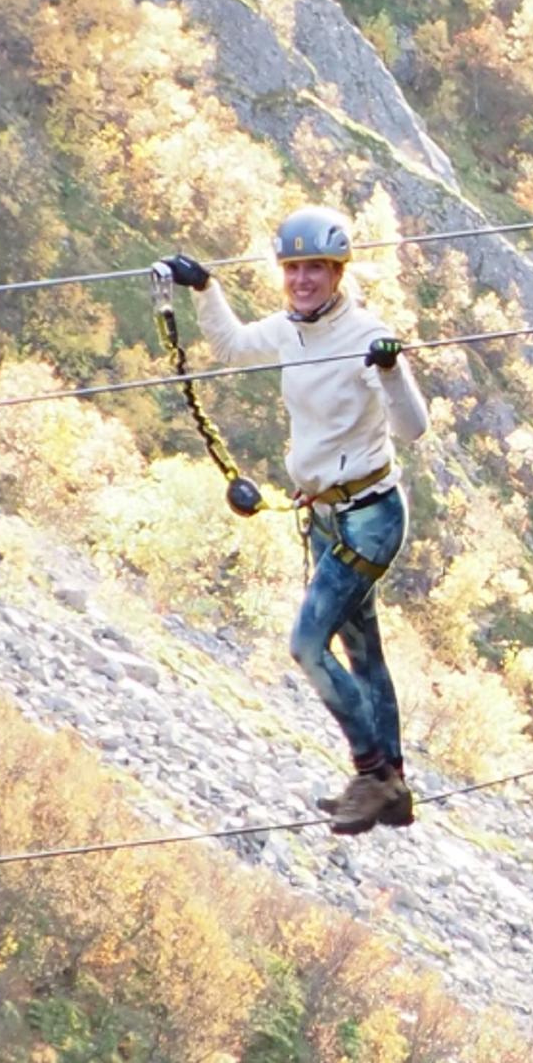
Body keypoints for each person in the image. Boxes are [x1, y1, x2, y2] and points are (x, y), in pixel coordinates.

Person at [156, 205, 431, 834]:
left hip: (371, 516)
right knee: (364, 652)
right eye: (293, 269)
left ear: (338, 273)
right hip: (329, 516)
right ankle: (393, 783)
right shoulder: (289, 330)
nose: (303, 280)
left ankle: (370, 774)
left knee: (307, 645)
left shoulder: (367, 333)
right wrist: (205, 288)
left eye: (316, 269)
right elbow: (229, 346)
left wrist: (389, 371)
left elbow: (412, 429)